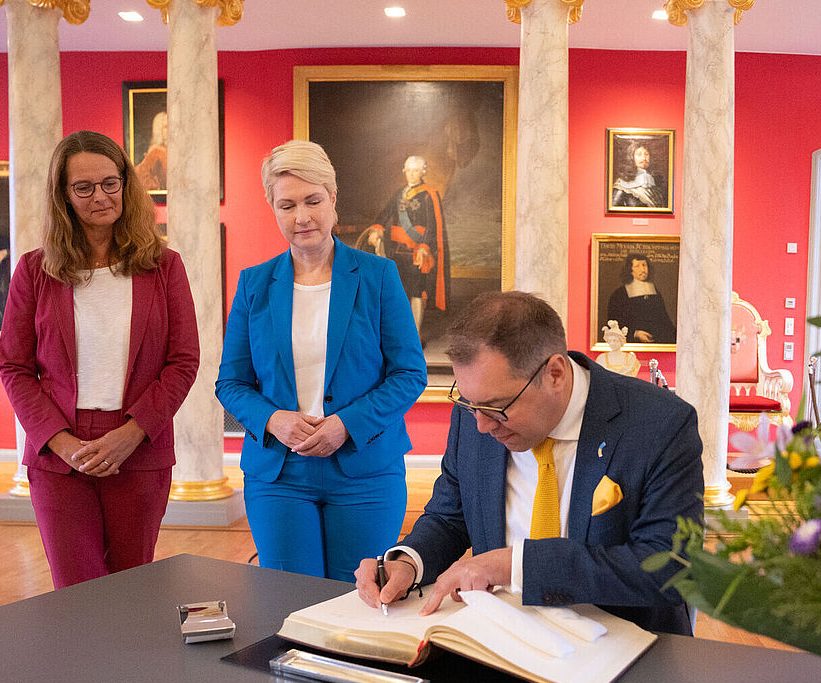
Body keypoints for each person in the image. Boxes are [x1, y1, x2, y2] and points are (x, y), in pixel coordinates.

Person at [0, 130, 199, 683]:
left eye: (110, 182)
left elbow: (182, 362)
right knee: (82, 607)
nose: (100, 197)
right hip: (62, 457)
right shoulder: (35, 270)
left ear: (127, 184)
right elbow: (15, 368)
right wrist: (57, 441)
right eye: (83, 187)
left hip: (137, 445)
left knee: (133, 599)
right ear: (62, 193)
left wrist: (131, 432)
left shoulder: (162, 267)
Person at [354, 290, 703, 635]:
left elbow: (670, 568)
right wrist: (408, 561)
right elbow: (449, 517)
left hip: (623, 647)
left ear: (555, 373)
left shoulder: (659, 424)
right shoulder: (476, 414)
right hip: (503, 639)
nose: (482, 425)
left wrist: (515, 566)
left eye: (497, 408)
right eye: (469, 404)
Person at [216, 140, 426, 584]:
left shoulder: (378, 276)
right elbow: (230, 383)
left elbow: (409, 374)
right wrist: (274, 420)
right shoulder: (254, 284)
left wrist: (344, 424)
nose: (302, 217)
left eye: (313, 201)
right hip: (279, 473)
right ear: (273, 208)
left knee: (357, 599)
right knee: (289, 603)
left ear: (333, 198)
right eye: (286, 205)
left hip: (364, 468)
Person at [366, 155, 449, 340]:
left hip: (416, 252)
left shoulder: (429, 194)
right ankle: (398, 333)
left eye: (416, 170)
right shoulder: (399, 193)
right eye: (409, 170)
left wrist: (424, 247)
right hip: (395, 252)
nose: (412, 174)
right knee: (397, 291)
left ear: (422, 173)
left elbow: (432, 225)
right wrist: (377, 230)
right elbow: (384, 214)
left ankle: (415, 335)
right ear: (405, 172)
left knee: (416, 292)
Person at [606, 252, 676, 344]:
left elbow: (664, 320)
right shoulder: (619, 294)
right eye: (637, 266)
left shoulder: (655, 292)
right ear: (630, 270)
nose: (643, 270)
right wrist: (635, 334)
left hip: (657, 341)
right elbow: (614, 322)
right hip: (633, 342)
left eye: (644, 265)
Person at [611, 143, 665, 209]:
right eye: (639, 154)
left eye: (646, 154)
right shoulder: (622, 185)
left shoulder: (654, 184)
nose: (644, 158)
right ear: (631, 157)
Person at [135, 110, 168, 192]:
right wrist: (156, 188)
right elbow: (140, 174)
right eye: (166, 127)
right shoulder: (156, 151)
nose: (170, 130)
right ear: (159, 130)